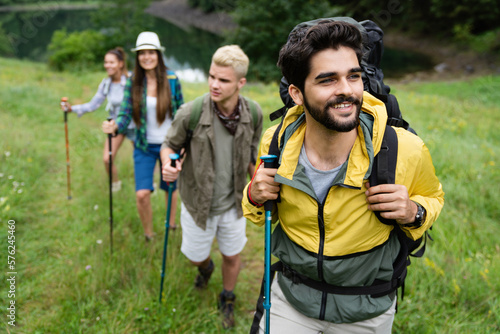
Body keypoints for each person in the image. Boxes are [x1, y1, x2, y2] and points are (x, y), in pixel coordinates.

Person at [244, 21, 444, 333]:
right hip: (290, 300)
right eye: (327, 80)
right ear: (296, 93)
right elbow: (259, 211)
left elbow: (432, 200)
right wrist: (254, 196)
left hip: (367, 309)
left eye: (354, 76)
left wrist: (412, 211)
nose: (348, 91)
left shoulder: (402, 147)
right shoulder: (276, 141)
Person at [161, 45, 263, 329]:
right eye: (212, 77)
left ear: (241, 83)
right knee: (195, 256)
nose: (214, 85)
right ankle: (205, 268)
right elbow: (169, 145)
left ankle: (227, 298)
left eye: (224, 80)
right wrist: (168, 164)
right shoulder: (190, 112)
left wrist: (261, 185)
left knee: (232, 255)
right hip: (197, 203)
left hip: (233, 203)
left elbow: (253, 157)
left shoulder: (254, 113)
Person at [102, 32, 184, 240]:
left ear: (158, 54)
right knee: (142, 194)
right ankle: (149, 234)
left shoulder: (172, 79)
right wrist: (115, 127)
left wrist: (183, 142)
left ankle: (171, 225)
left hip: (170, 144)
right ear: (137, 57)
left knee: (170, 187)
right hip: (144, 146)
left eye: (151, 52)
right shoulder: (133, 81)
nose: (147, 57)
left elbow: (181, 113)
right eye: (142, 53)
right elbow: (125, 112)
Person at [61, 47, 133, 192]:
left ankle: (149, 186)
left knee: (144, 157)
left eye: (111, 62)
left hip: (135, 125)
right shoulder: (106, 83)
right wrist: (71, 109)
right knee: (107, 158)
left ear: (120, 63)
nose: (107, 65)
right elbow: (93, 104)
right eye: (106, 62)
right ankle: (116, 185)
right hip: (116, 126)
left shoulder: (132, 80)